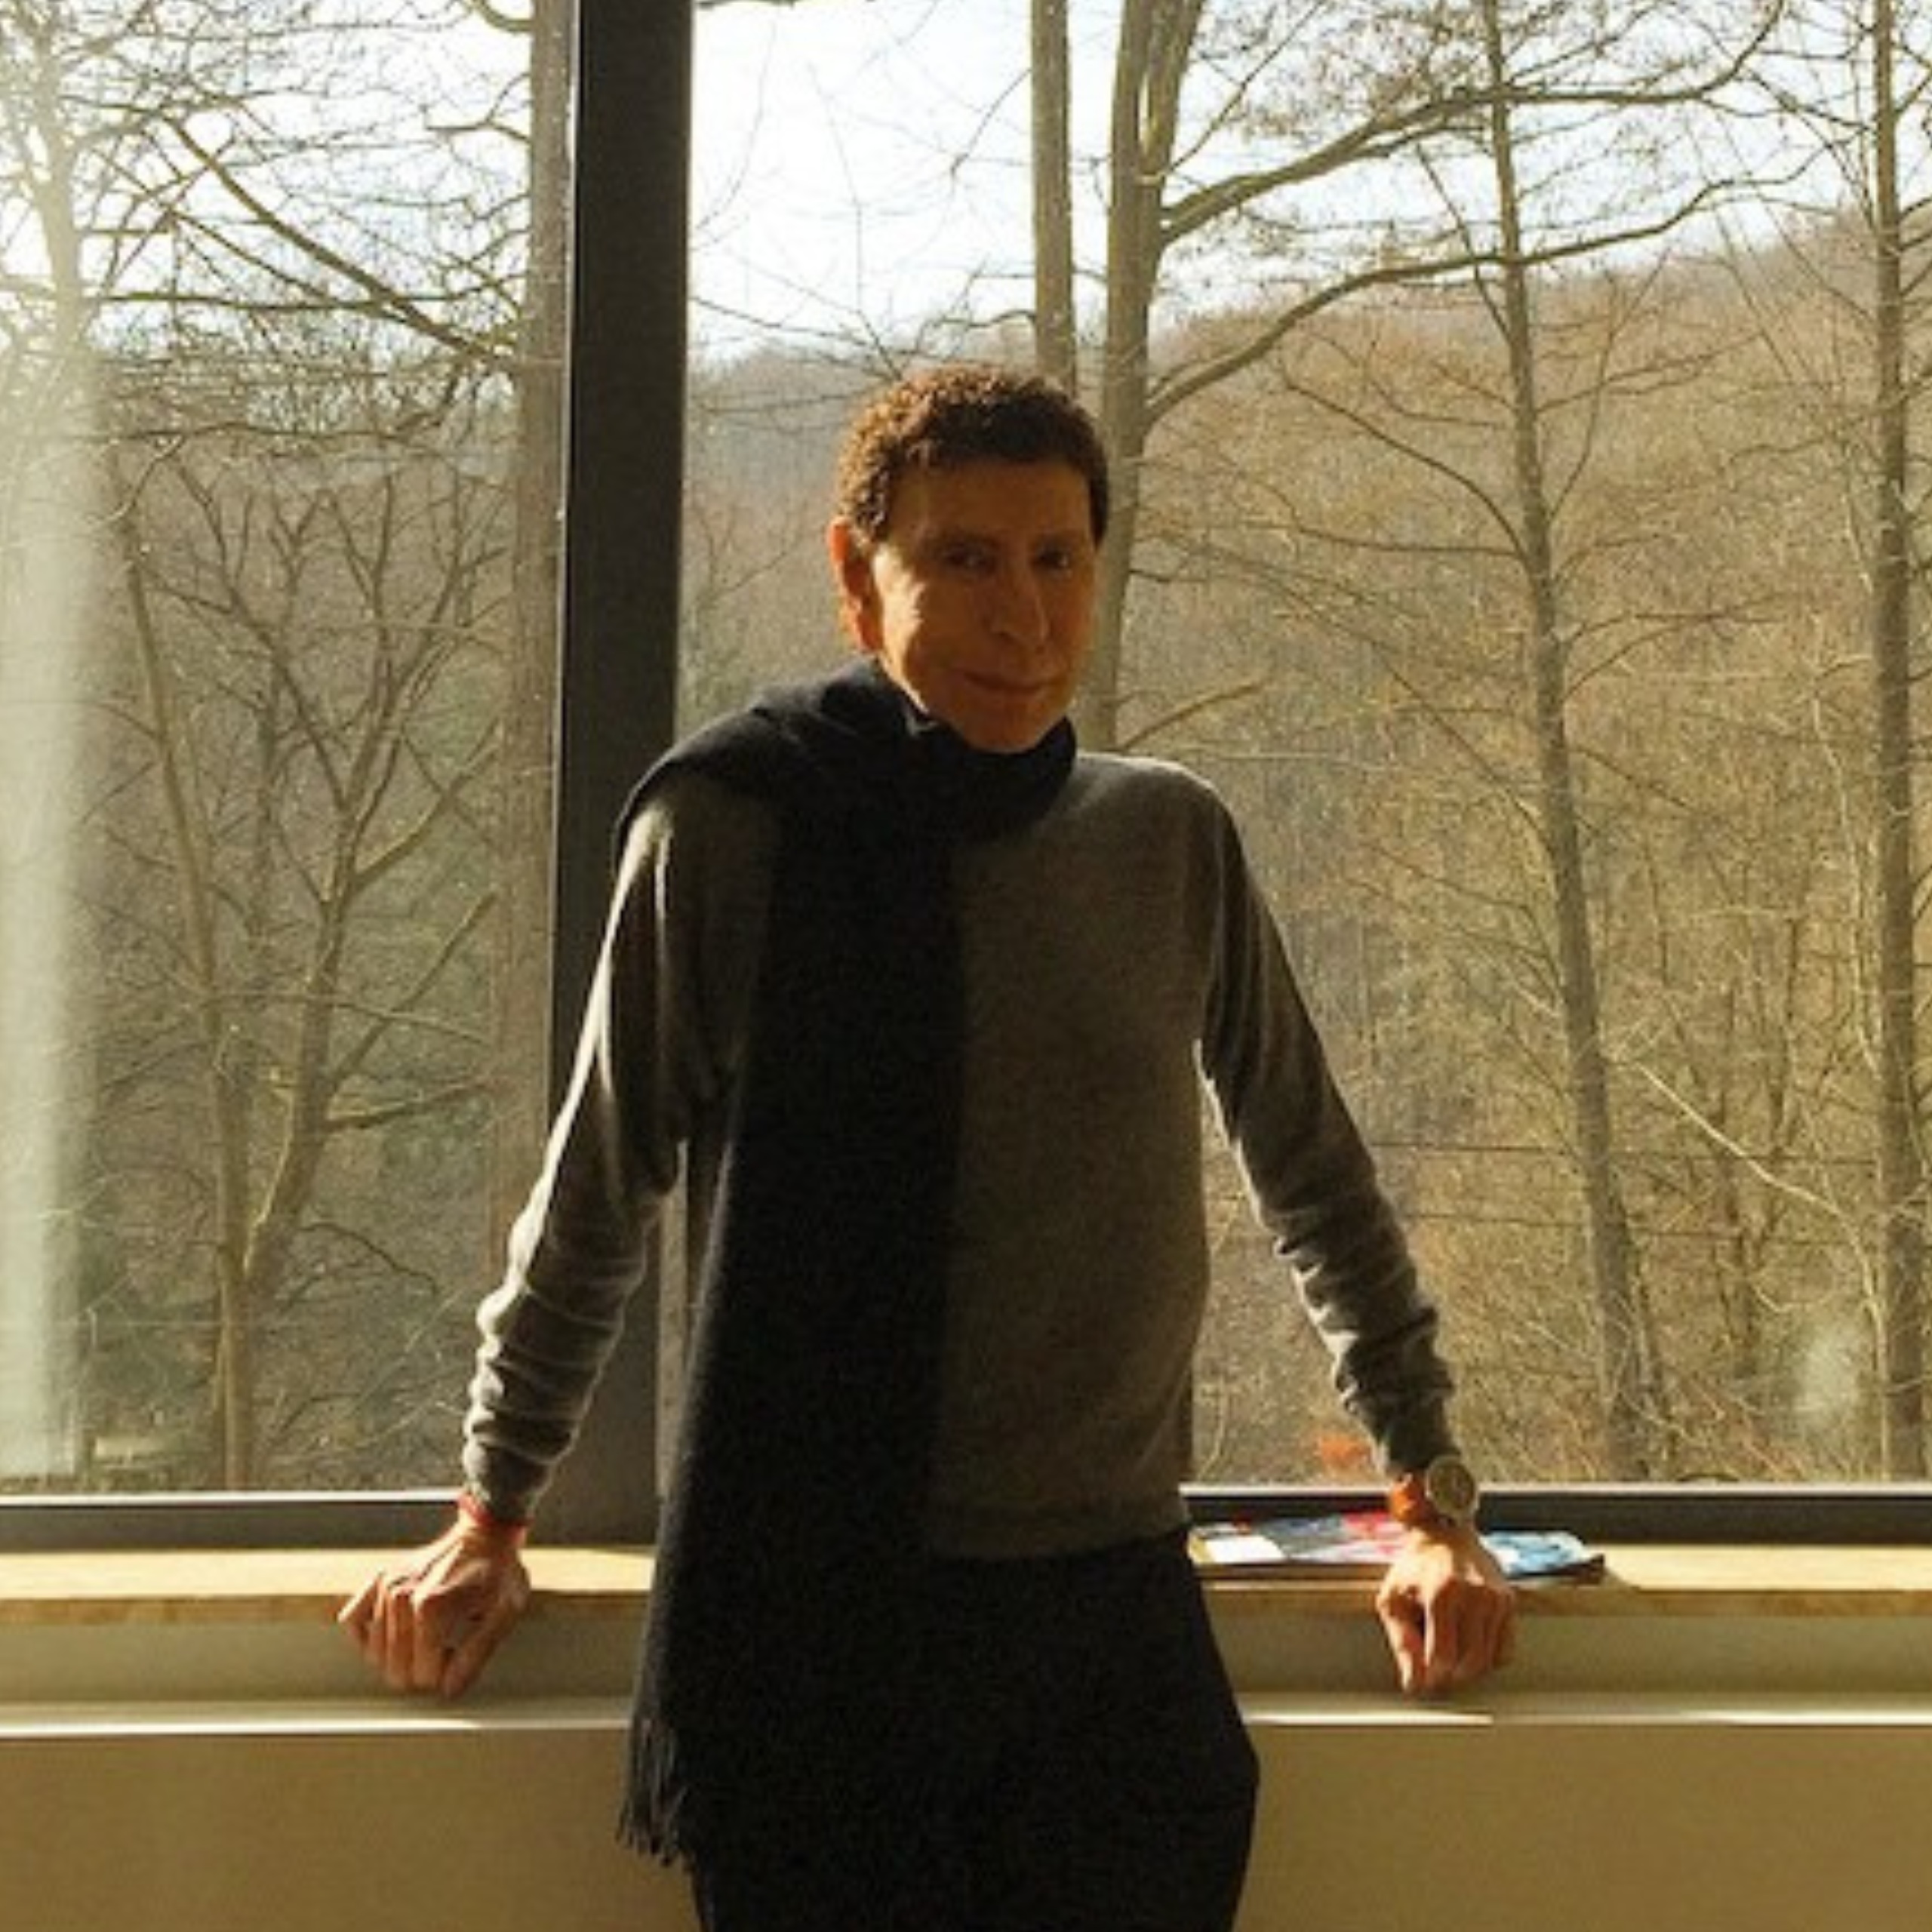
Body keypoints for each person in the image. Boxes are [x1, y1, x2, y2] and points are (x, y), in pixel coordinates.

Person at [342, 364, 1515, 1932]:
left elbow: (1316, 1180)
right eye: (963, 558)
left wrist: (1430, 1496)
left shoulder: (1166, 838)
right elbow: (597, 1191)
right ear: (856, 574)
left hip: (1110, 1618)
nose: (1021, 616)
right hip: (822, 1623)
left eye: (1056, 559)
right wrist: (492, 1510)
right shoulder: (734, 827)